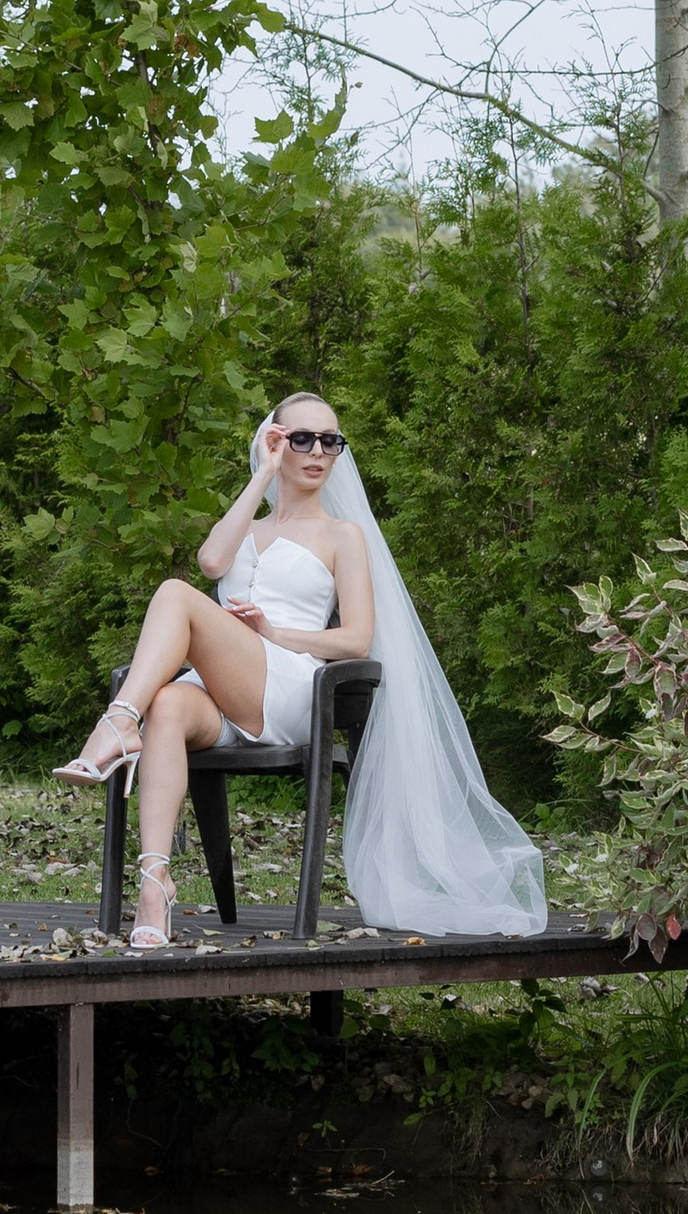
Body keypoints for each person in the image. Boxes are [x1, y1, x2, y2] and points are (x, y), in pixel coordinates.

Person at [57, 389, 547, 951]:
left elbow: (356, 637)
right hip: (223, 690)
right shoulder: (249, 527)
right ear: (274, 442)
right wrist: (263, 474)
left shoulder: (343, 535)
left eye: (330, 441)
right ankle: (155, 882)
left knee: (174, 593)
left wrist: (275, 633)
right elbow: (212, 562)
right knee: (167, 703)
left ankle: (120, 721)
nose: (318, 451)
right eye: (302, 438)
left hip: (293, 685)